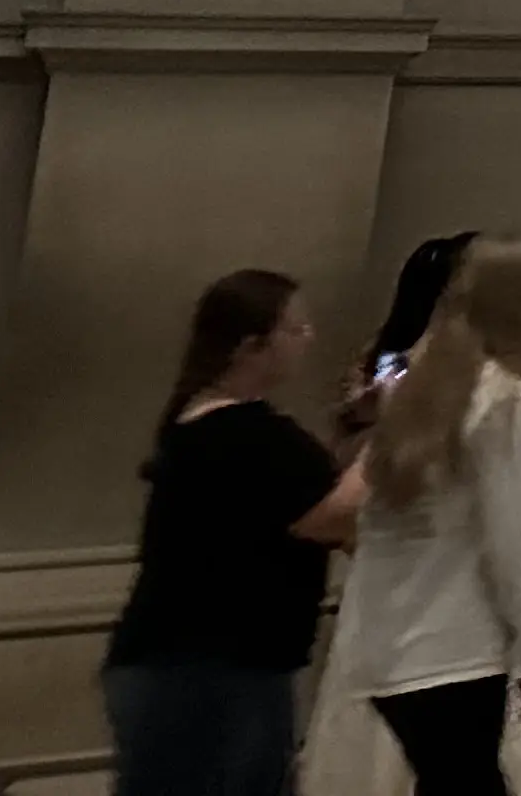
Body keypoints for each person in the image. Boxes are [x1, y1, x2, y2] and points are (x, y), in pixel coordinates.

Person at [106, 273, 366, 796]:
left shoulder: (210, 424)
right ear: (253, 346)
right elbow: (333, 516)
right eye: (295, 328)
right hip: (212, 671)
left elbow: (293, 494)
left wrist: (351, 430)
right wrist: (404, 431)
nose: (309, 337)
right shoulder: (243, 433)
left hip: (194, 664)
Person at [330, 242, 521, 796]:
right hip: (459, 647)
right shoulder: (505, 397)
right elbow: (514, 540)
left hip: (392, 646)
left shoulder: (412, 386)